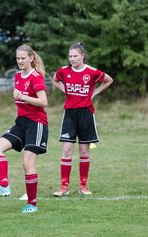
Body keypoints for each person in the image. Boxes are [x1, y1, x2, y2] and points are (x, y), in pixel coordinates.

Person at [0, 44, 48, 213]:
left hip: (36, 123)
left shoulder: (36, 77)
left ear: (31, 58)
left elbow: (43, 102)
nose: (20, 61)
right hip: (21, 123)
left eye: (23, 58)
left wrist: (23, 96)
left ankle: (32, 205)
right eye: (18, 58)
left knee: (27, 163)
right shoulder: (18, 76)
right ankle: (4, 186)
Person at [52, 42, 113, 197]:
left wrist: (95, 93)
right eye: (70, 56)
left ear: (82, 56)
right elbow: (55, 80)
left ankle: (83, 186)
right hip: (69, 115)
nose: (72, 59)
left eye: (75, 56)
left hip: (86, 114)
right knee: (66, 150)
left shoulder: (91, 72)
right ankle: (64, 187)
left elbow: (108, 80)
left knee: (84, 151)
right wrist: (66, 90)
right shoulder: (63, 71)